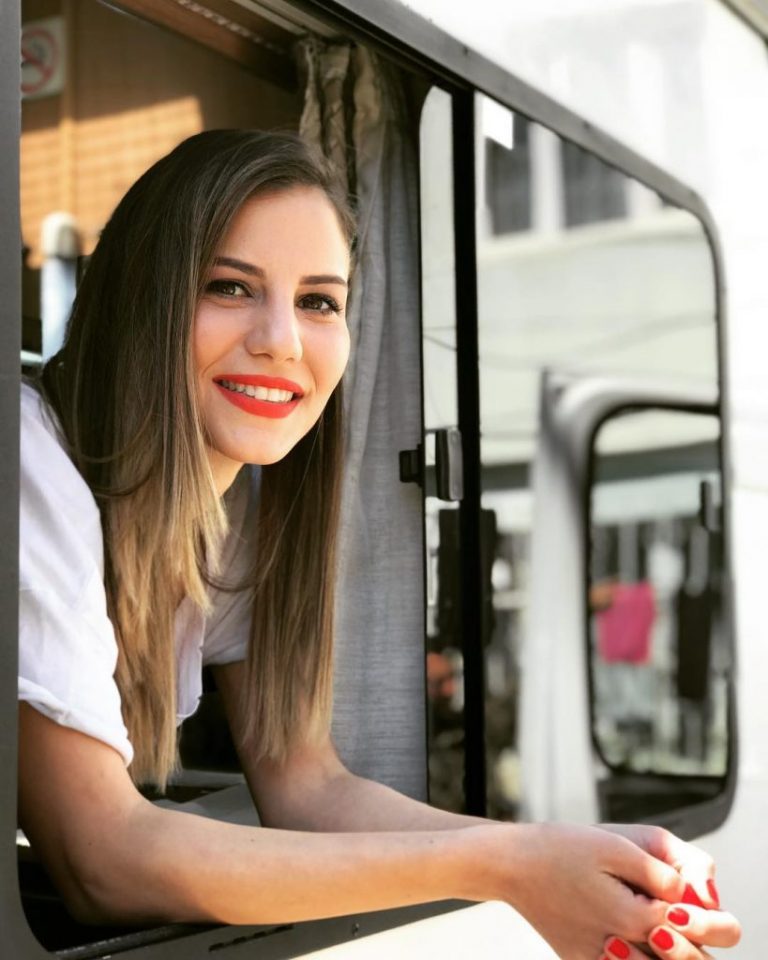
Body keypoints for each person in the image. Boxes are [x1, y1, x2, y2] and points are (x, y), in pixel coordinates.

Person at [18, 129, 740, 960]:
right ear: (142, 298)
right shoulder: (28, 456)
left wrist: (576, 858)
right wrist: (511, 867)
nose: (283, 340)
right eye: (229, 286)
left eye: (320, 301)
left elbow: (307, 787)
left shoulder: (233, 510)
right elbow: (102, 858)